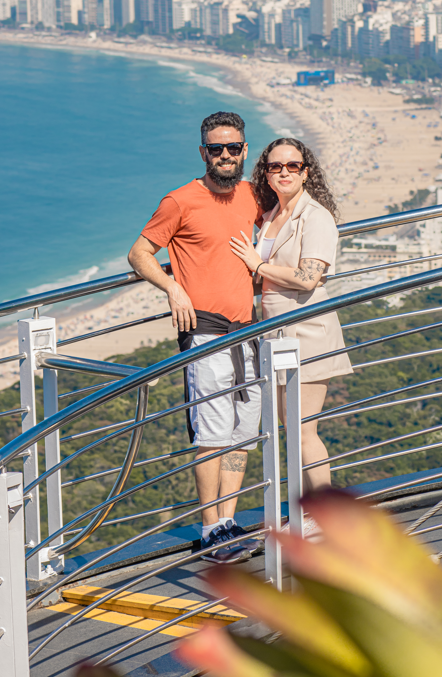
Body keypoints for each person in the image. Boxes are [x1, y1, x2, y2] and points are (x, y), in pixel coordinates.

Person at [128, 111, 263, 564]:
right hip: (205, 334)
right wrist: (173, 287)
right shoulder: (180, 201)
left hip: (250, 333)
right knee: (212, 435)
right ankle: (210, 531)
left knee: (242, 436)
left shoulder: (251, 195)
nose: (225, 155)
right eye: (216, 148)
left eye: (234, 148)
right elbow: (140, 253)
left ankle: (228, 521)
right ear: (203, 152)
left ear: (245, 150)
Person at [229, 137, 352, 502]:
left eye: (292, 166)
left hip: (308, 332)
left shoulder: (316, 217)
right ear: (265, 173)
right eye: (275, 166)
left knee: (303, 430)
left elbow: (308, 277)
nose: (284, 172)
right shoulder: (269, 218)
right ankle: (308, 512)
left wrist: (259, 265)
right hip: (277, 333)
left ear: (305, 172)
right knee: (290, 428)